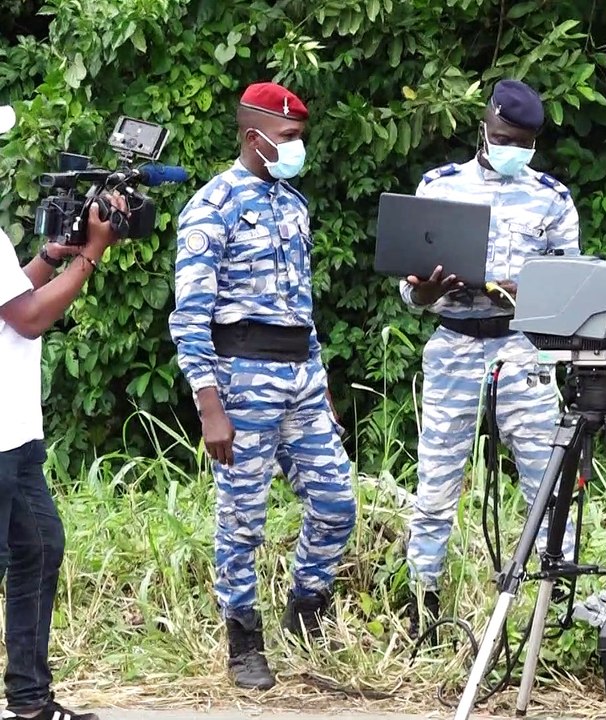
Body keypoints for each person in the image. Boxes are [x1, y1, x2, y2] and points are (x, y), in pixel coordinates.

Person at [167, 82, 356, 691]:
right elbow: (189, 317)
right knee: (242, 519)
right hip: (240, 379)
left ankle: (307, 610)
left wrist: (319, 374)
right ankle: (243, 638)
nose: (298, 147)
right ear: (254, 137)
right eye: (289, 138)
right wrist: (208, 404)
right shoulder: (210, 207)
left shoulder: (294, 205)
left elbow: (302, 303)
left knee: (335, 504)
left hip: (300, 374)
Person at [398, 78, 581, 634]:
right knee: (436, 481)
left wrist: (527, 292)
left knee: (546, 480)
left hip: (522, 350)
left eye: (522, 143)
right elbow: (409, 292)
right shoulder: (440, 186)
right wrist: (425, 291)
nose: (511, 149)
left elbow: (569, 287)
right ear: (485, 126)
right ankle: (422, 603)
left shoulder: (551, 198)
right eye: (503, 137)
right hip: (454, 342)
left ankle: (557, 606)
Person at [0, 102, 128, 720]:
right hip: (0, 436)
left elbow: (11, 293)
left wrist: (51, 255)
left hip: (14, 435)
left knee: (41, 547)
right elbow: (27, 317)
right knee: (25, 553)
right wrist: (90, 254)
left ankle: (28, 701)